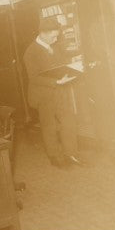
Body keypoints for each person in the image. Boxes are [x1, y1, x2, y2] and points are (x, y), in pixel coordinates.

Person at [21, 14, 82, 167]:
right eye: (54, 37)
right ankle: (55, 157)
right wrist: (56, 81)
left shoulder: (55, 45)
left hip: (60, 91)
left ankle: (71, 155)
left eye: (57, 36)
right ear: (43, 33)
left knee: (69, 122)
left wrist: (73, 62)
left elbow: (61, 63)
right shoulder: (30, 52)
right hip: (43, 95)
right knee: (49, 127)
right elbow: (34, 78)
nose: (56, 39)